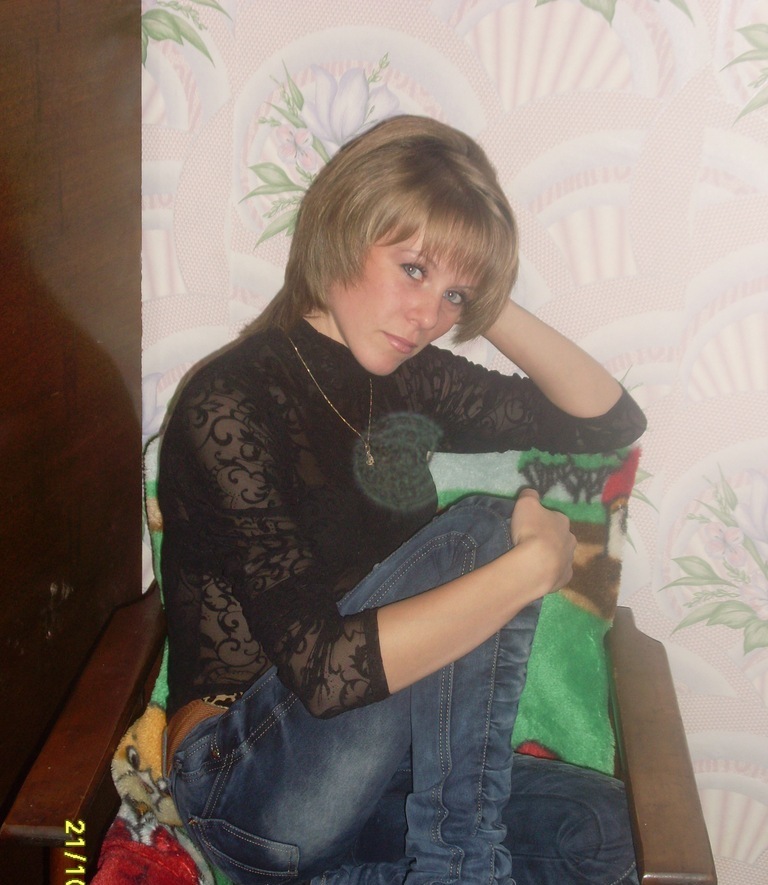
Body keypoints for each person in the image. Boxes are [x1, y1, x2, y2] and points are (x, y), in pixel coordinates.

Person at [159, 114, 646, 885]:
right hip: (245, 785)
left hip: (381, 774)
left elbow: (605, 420)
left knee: (612, 835)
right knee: (480, 534)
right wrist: (528, 568)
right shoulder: (229, 400)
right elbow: (325, 674)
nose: (431, 317)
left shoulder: (410, 380)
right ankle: (460, 868)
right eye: (413, 269)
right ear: (342, 230)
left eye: (454, 294)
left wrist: (481, 287)